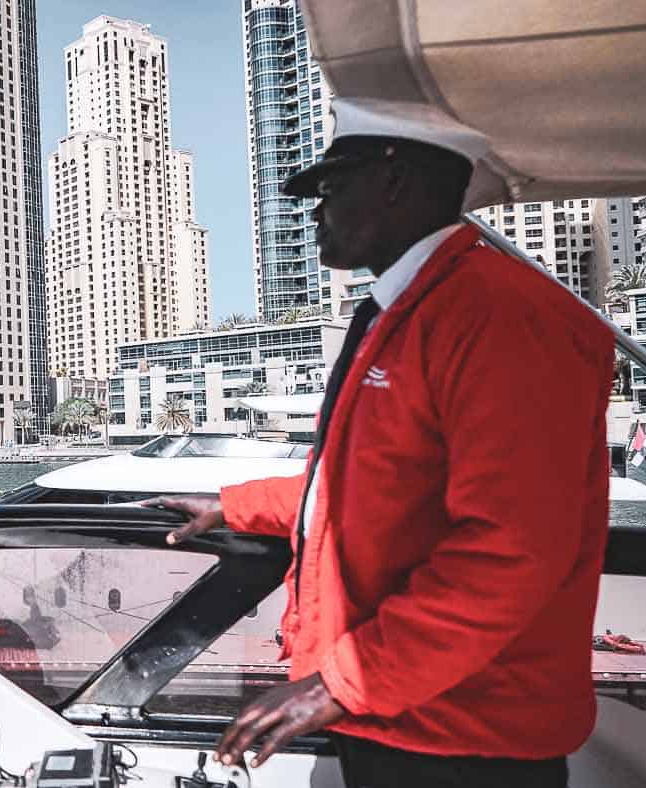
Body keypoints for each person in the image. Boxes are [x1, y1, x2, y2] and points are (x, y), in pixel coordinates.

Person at [144, 99, 609, 787]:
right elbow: (374, 483)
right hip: (398, 716)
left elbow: (511, 548)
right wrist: (237, 507)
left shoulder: (499, 316)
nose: (315, 211)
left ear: (393, 182)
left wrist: (340, 683)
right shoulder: (407, 309)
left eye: (331, 187)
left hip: (463, 738)